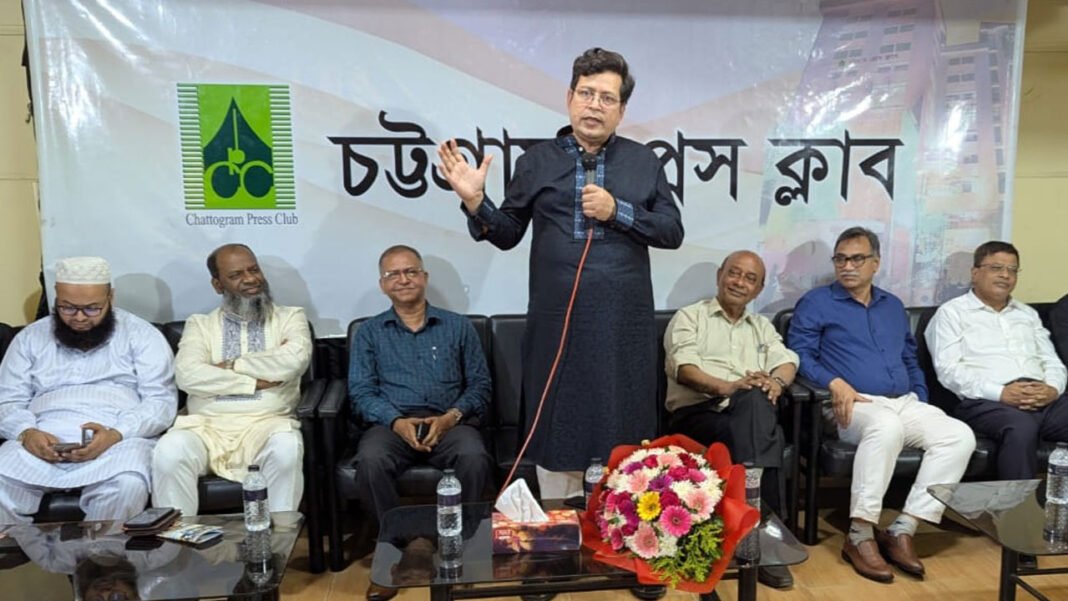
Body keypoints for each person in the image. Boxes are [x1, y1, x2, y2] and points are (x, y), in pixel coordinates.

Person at [437, 47, 684, 499]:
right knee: (558, 427)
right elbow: (507, 233)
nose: (594, 105)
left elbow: (672, 232)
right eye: (586, 93)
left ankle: (623, 521)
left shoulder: (643, 161)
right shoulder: (536, 161)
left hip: (623, 326)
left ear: (622, 110)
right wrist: (475, 201)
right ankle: (559, 522)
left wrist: (617, 211)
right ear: (569, 97)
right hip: (557, 325)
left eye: (607, 98)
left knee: (623, 434)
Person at [789, 227, 975, 583]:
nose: (847, 266)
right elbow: (799, 354)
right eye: (840, 259)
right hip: (850, 403)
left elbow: (908, 357)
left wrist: (919, 396)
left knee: (959, 435)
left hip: (903, 401)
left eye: (857, 259)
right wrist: (834, 382)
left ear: (875, 263)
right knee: (885, 427)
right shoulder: (817, 302)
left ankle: (903, 528)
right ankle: (860, 535)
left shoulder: (892, 305)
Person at [349, 245, 493, 601]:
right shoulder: (369, 332)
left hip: (449, 422)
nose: (403, 279)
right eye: (393, 274)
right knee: (370, 461)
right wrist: (396, 421)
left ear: (424, 277)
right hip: (392, 425)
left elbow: (480, 385)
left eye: (411, 271)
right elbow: (361, 392)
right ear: (383, 285)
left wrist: (450, 417)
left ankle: (456, 548)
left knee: (474, 457)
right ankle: (397, 550)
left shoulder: (458, 327)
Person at [0, 256, 176, 524]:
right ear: (56, 297)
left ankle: (102, 551)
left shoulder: (141, 334)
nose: (79, 318)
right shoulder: (30, 338)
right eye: (68, 308)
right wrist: (26, 432)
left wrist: (116, 434)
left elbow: (161, 401)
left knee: (128, 484)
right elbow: (6, 400)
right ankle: (16, 551)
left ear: (110, 298)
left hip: (118, 440)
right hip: (39, 439)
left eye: (92, 309)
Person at [663, 250, 797, 589]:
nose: (739, 282)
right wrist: (730, 387)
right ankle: (764, 534)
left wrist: (776, 382)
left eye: (750, 279)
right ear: (720, 275)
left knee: (756, 400)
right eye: (734, 273)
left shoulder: (761, 327)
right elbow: (685, 369)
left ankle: (749, 529)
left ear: (759, 289)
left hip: (747, 415)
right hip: (699, 414)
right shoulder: (690, 317)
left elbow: (786, 362)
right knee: (766, 429)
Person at [152, 244, 312, 518]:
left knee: (287, 448)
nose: (250, 279)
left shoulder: (290, 317)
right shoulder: (200, 324)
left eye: (253, 270)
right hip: (206, 429)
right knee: (168, 451)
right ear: (218, 285)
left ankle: (281, 537)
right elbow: (187, 375)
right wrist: (252, 382)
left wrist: (231, 364)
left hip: (268, 425)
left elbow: (292, 361)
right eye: (236, 275)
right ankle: (178, 539)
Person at [926, 241, 1068, 480]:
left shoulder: (1027, 314)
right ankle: (1016, 503)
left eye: (1012, 270)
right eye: (996, 268)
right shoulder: (951, 313)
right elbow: (949, 371)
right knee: (1020, 428)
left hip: (1042, 397)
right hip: (987, 402)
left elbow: (1052, 362)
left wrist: (1052, 389)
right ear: (975, 273)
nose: (1005, 275)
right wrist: (1001, 393)